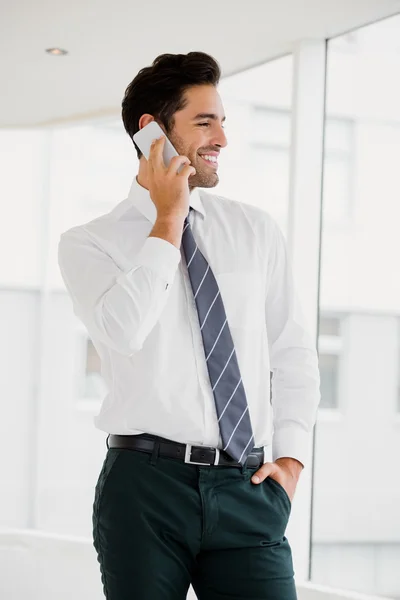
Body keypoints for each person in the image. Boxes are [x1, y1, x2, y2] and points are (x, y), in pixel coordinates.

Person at [58, 51, 320, 600]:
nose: (222, 138)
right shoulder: (89, 243)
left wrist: (292, 459)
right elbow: (123, 332)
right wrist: (167, 218)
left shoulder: (255, 230)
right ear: (151, 132)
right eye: (205, 122)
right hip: (145, 488)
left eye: (222, 121)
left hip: (248, 484)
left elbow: (292, 352)